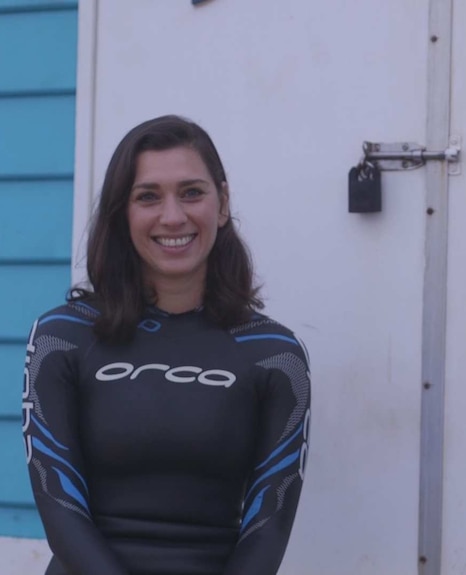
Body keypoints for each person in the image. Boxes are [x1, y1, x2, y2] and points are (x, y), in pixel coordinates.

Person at [21, 115, 311, 575]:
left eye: (192, 192)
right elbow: (59, 508)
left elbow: (269, 525)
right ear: (123, 214)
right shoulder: (61, 339)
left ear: (222, 204)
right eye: (148, 197)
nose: (173, 216)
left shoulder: (275, 354)